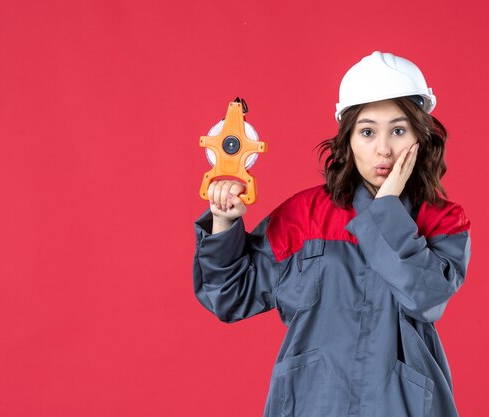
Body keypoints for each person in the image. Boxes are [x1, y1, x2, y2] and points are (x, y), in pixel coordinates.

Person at [192, 51, 471, 417]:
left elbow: (424, 298)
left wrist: (387, 210)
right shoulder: (305, 216)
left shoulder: (443, 221)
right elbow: (229, 296)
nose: (383, 149)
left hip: (402, 406)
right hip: (313, 403)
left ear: (421, 136)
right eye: (368, 132)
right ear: (348, 139)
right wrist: (223, 223)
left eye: (398, 130)